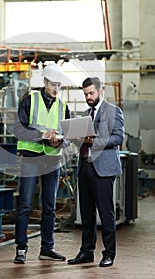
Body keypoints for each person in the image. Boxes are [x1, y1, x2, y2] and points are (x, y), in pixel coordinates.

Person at [13, 63, 70, 264]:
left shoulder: (63, 106)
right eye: (53, 84)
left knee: (50, 206)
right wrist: (42, 135)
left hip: (52, 157)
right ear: (44, 82)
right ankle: (21, 248)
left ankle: (47, 248)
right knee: (25, 205)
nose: (56, 89)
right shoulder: (30, 100)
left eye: (59, 86)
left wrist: (61, 139)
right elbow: (18, 130)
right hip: (31, 156)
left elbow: (68, 134)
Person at [68, 77, 124, 268]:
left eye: (91, 93)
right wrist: (75, 138)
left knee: (106, 214)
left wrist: (94, 141)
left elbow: (118, 137)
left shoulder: (113, 111)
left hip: (103, 169)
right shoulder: (85, 115)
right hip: (85, 167)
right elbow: (82, 141)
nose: (88, 97)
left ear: (101, 91)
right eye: (85, 94)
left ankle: (109, 253)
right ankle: (86, 251)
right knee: (86, 213)